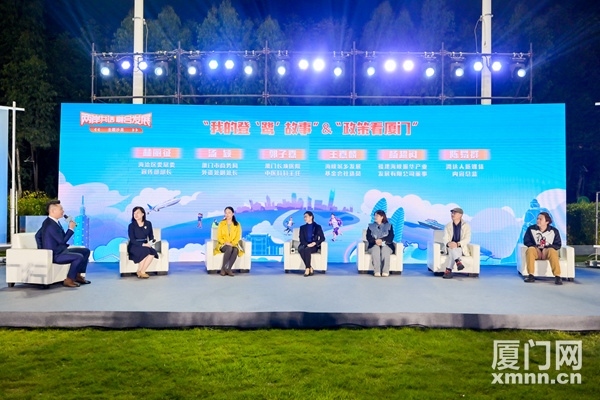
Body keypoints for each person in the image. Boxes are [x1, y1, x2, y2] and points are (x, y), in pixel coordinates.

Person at [34, 200, 91, 288]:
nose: (63, 211)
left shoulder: (53, 222)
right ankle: (69, 280)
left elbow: (37, 235)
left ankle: (78, 276)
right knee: (78, 257)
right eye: (61, 209)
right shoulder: (50, 224)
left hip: (61, 250)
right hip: (56, 254)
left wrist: (41, 249)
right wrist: (70, 229)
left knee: (85, 251)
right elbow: (62, 241)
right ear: (53, 211)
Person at [523, 211, 563, 285]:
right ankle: (531, 275)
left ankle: (557, 276)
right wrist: (535, 247)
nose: (538, 220)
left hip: (547, 251)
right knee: (530, 250)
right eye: (537, 219)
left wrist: (547, 247)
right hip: (536, 251)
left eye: (540, 219)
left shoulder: (554, 231)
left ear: (547, 222)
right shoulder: (531, 229)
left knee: (552, 251)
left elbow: (558, 245)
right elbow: (526, 241)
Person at [127, 206, 159, 279]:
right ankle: (141, 272)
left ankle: (141, 271)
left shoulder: (148, 223)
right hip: (134, 245)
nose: (136, 215)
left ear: (143, 214)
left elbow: (151, 235)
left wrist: (151, 242)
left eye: (137, 213)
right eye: (134, 213)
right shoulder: (131, 226)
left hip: (145, 244)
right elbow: (132, 239)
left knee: (152, 252)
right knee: (145, 251)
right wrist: (144, 244)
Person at [441, 207, 471, 279]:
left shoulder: (466, 226)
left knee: (454, 250)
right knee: (452, 248)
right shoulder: (448, 225)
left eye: (455, 213)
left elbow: (467, 239)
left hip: (460, 247)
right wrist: (448, 243)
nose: (452, 214)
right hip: (449, 246)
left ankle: (448, 270)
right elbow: (445, 238)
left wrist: (457, 244)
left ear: (460, 215)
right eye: (452, 213)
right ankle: (458, 261)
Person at [214, 206, 244, 276]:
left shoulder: (237, 224)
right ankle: (223, 268)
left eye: (229, 213)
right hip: (223, 244)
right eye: (226, 213)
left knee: (235, 250)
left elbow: (237, 237)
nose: (227, 214)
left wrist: (232, 243)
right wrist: (225, 243)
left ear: (233, 214)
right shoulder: (221, 223)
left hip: (233, 244)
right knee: (229, 248)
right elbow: (219, 237)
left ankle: (228, 269)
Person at [366, 210, 395, 277]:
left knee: (385, 249)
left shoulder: (389, 226)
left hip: (386, 245)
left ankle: (385, 271)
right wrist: (375, 241)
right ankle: (377, 271)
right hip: (374, 245)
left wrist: (382, 240)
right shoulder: (370, 226)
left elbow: (390, 237)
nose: (375, 217)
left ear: (382, 217)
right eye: (375, 215)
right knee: (376, 249)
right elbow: (368, 237)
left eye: (377, 216)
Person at [298, 211, 325, 277]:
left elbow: (322, 238)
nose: (305, 218)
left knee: (307, 249)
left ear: (311, 217)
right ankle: (310, 267)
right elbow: (301, 239)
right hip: (304, 244)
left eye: (306, 217)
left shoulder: (317, 227)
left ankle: (307, 269)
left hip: (314, 245)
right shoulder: (302, 227)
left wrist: (315, 243)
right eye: (304, 217)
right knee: (301, 249)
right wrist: (307, 244)